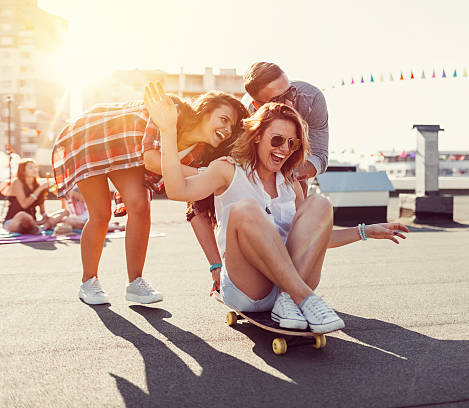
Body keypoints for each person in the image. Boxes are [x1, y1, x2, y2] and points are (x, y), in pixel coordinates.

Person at [145, 81, 408, 333]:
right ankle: (305, 298)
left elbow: (311, 240)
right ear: (258, 137)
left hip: (284, 293)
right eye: (277, 140)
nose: (284, 149)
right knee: (245, 208)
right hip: (249, 288)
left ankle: (290, 299)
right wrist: (168, 130)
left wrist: (365, 231)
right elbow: (178, 191)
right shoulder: (228, 169)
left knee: (320, 204)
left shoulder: (290, 184)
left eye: (292, 144)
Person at [52, 92, 247, 305]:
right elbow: (153, 160)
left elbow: (195, 206)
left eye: (231, 127)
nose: (227, 130)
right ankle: (89, 281)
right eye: (223, 119)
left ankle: (135, 283)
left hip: (126, 152)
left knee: (139, 204)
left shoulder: (200, 154)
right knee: (101, 213)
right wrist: (211, 175)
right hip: (91, 135)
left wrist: (216, 266)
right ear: (206, 111)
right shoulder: (173, 110)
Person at [190, 62, 330, 292]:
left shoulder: (311, 98)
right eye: (279, 99)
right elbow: (197, 200)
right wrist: (216, 264)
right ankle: (227, 270)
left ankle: (292, 282)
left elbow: (321, 157)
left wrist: (288, 171)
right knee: (221, 197)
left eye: (290, 91)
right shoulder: (246, 118)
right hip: (248, 169)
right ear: (257, 105)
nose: (289, 102)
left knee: (298, 202)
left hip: (293, 168)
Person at [2, 158, 65, 234]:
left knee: (64, 212)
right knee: (22, 215)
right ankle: (41, 228)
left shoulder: (38, 185)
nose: (35, 170)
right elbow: (24, 205)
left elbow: (42, 211)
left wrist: (45, 216)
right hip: (14, 221)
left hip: (32, 222)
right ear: (23, 171)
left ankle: (40, 227)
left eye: (35, 167)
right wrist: (39, 189)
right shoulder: (17, 182)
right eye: (30, 168)